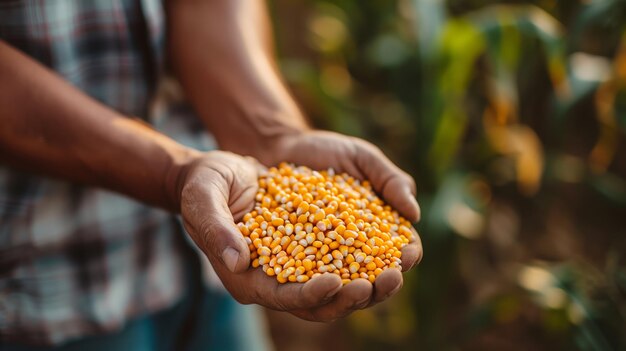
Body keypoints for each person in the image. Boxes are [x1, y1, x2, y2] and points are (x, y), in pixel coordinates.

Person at [0, 0, 423, 350]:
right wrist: (173, 173)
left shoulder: (261, 209)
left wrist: (272, 136)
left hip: (212, 267)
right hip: (49, 286)